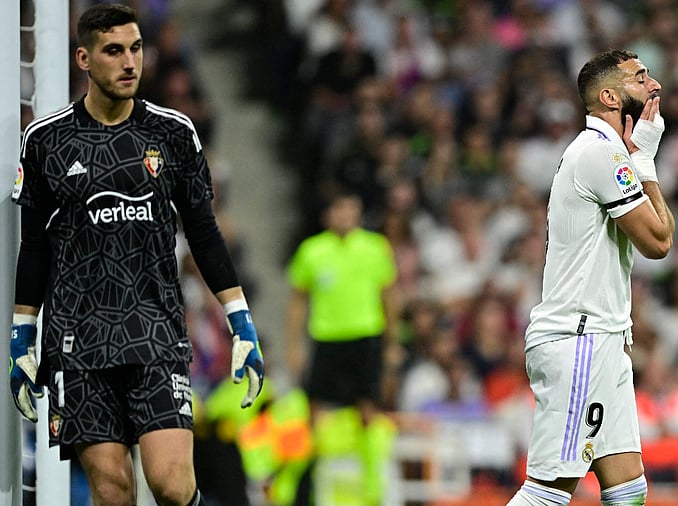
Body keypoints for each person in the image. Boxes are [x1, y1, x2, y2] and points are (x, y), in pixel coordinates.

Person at [8, 4, 264, 506]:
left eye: (136, 48)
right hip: (77, 341)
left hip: (155, 333)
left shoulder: (172, 133)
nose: (129, 62)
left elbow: (205, 233)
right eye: (114, 51)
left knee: (171, 483)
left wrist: (243, 323)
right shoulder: (46, 142)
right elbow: (35, 246)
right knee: (113, 489)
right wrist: (22, 337)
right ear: (84, 58)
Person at [506, 49, 674, 506]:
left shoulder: (604, 153)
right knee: (547, 493)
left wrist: (638, 157)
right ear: (609, 97)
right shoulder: (601, 155)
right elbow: (658, 242)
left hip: (603, 338)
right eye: (640, 78)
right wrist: (646, 162)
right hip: (578, 339)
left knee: (627, 488)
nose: (654, 85)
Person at [284, 191, 400, 505]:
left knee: (367, 411)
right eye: (340, 209)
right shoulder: (312, 251)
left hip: (366, 337)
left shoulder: (375, 248)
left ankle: (372, 482)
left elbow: (389, 297)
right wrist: (293, 345)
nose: (346, 215)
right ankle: (307, 480)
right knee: (314, 412)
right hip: (326, 338)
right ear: (328, 215)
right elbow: (297, 301)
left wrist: (392, 343)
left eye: (352, 209)